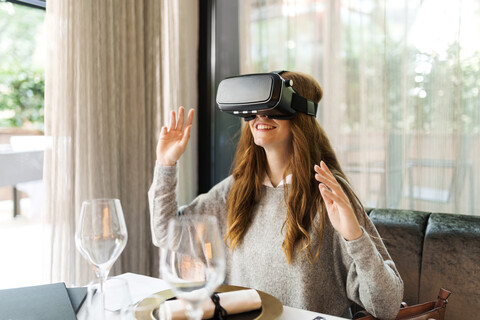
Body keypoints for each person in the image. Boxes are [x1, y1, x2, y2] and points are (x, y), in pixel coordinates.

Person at [148, 71, 403, 319]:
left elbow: (387, 305)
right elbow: (165, 232)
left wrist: (354, 235)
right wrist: (165, 165)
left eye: (273, 108)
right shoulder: (235, 191)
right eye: (256, 109)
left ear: (301, 116)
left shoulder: (328, 194)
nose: (261, 116)